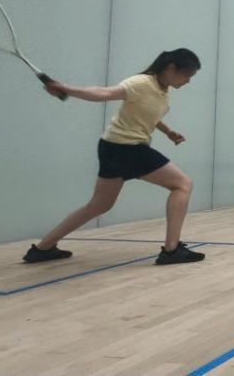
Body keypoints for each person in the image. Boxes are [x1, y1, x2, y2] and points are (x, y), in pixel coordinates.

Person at [23, 48, 205, 265]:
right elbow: (104, 93)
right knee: (183, 184)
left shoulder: (162, 89)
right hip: (128, 148)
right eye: (187, 75)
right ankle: (171, 250)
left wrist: (168, 132)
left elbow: (147, 113)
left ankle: (42, 249)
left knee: (99, 204)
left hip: (111, 147)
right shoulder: (141, 83)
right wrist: (66, 88)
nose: (188, 81)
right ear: (171, 68)